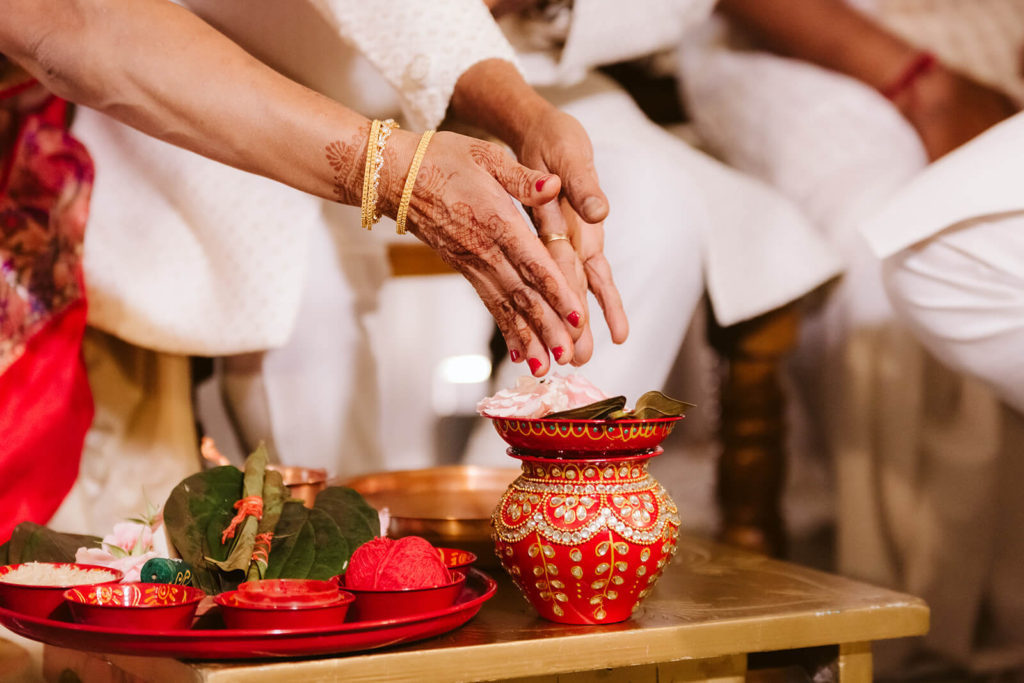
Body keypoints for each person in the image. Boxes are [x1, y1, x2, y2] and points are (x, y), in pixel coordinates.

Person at [0, 0, 615, 536]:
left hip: (291, 76)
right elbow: (76, 23)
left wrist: (524, 114)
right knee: (306, 288)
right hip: (92, 98)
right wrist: (391, 172)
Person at [677, 0, 1023, 674]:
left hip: (1003, 35)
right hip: (819, 41)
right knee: (895, 241)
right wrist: (921, 82)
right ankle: (911, 629)